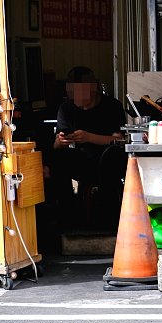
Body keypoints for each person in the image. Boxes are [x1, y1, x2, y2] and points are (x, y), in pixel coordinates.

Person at [50, 66, 127, 229]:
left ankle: (109, 223)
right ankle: (68, 218)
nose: (77, 99)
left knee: (114, 159)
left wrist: (89, 137)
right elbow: (57, 143)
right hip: (80, 159)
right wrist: (60, 141)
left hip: (107, 159)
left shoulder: (112, 106)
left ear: (94, 88)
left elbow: (119, 140)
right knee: (57, 161)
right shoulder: (66, 108)